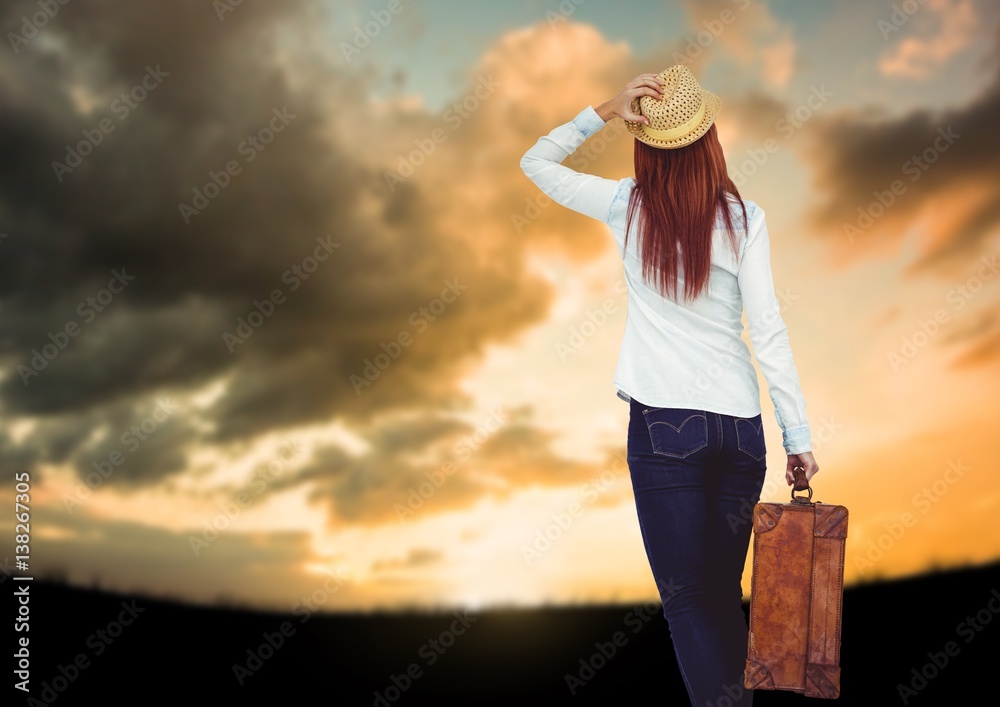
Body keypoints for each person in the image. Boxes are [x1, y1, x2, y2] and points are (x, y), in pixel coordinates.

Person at [519, 66, 819, 706]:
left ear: (645, 143)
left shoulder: (626, 204)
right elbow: (767, 329)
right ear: (710, 138)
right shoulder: (746, 218)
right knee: (716, 600)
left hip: (664, 430)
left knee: (691, 603)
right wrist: (798, 434)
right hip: (741, 430)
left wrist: (603, 109)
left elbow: (536, 162)